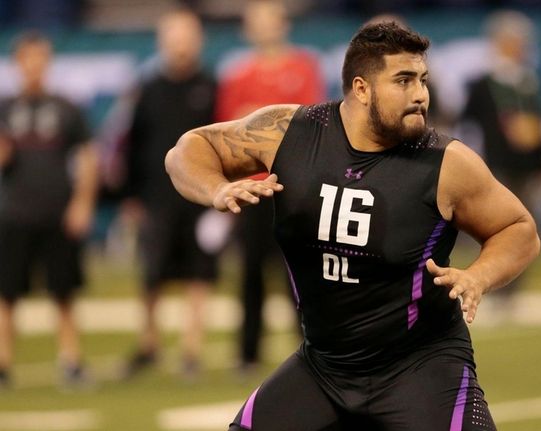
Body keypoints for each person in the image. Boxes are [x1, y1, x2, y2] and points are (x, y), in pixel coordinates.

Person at [166, 21, 540, 430]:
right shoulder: (290, 133)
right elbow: (189, 149)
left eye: (422, 80)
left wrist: (479, 276)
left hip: (419, 366)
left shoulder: (446, 163)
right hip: (324, 366)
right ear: (361, 88)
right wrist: (217, 188)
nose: (420, 94)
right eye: (403, 80)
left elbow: (519, 228)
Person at [215, 0, 326, 373]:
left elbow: (310, 122)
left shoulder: (303, 67)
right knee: (250, 271)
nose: (265, 28)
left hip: (293, 188)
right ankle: (247, 353)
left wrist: (257, 117)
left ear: (283, 24)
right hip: (251, 190)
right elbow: (228, 132)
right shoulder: (236, 75)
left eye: (270, 20)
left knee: (301, 272)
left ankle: (313, 347)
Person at [121, 9, 219, 378]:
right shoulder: (147, 88)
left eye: (187, 36)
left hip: (199, 196)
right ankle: (149, 344)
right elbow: (133, 144)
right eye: (174, 37)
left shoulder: (211, 86)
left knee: (199, 272)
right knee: (151, 273)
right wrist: (130, 196)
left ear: (198, 41)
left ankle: (191, 349)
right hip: (156, 196)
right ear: (163, 41)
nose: (180, 45)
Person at [0, 31, 98, 388]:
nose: (34, 66)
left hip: (57, 212)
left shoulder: (66, 108)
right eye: (27, 58)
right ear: (16, 64)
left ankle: (71, 361)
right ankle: (3, 363)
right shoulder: (5, 108)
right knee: (7, 293)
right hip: (14, 213)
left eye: (40, 58)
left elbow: (87, 157)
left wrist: (83, 203)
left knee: (64, 292)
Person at [460, 10, 541, 306]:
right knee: (495, 229)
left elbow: (539, 125)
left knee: (524, 228)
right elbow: (467, 121)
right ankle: (491, 284)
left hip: (525, 164)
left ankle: (514, 288)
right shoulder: (485, 82)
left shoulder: (527, 81)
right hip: (496, 164)